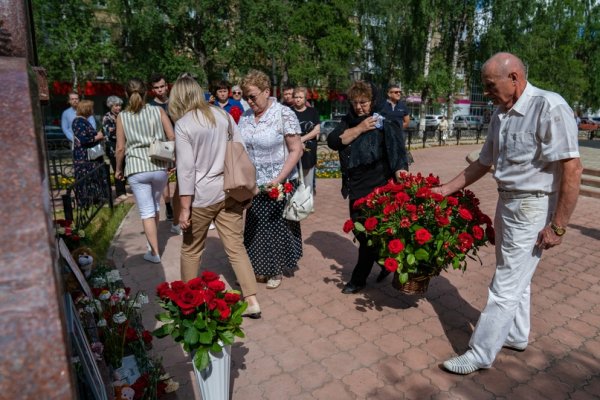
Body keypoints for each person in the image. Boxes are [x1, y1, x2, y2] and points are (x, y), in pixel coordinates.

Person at [438, 52, 583, 375]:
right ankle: (516, 335)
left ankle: (480, 353)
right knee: (515, 274)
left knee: (504, 284)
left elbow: (572, 169)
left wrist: (558, 226)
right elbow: (482, 163)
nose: (487, 93)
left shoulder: (549, 107)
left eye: (490, 86)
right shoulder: (500, 115)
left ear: (514, 78)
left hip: (534, 204)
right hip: (508, 203)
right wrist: (445, 190)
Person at [168, 76, 261, 318]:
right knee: (235, 246)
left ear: (177, 97)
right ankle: (251, 300)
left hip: (201, 196)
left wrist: (184, 209)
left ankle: (189, 304)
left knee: (191, 250)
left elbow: (186, 170)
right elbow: (239, 149)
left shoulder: (184, 124)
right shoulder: (222, 115)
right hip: (228, 190)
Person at [327, 81, 409, 294]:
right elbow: (334, 141)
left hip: (379, 184)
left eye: (363, 102)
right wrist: (360, 128)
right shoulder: (350, 120)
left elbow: (397, 151)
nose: (359, 107)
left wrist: (402, 176)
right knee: (359, 229)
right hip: (356, 184)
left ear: (373, 101)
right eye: (355, 102)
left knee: (369, 232)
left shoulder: (386, 120)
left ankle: (358, 279)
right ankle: (384, 263)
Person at [238, 70, 303, 289]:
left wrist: (279, 178)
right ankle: (258, 267)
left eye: (253, 96)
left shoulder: (283, 114)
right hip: (254, 183)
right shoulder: (246, 116)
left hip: (279, 181)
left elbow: (296, 150)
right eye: (246, 96)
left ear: (266, 92)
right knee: (255, 224)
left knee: (274, 226)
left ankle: (275, 269)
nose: (249, 101)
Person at [115, 78, 175, 264]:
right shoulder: (157, 111)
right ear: (146, 92)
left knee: (147, 211)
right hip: (159, 166)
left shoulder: (122, 116)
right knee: (155, 207)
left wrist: (118, 169)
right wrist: (173, 159)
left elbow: (120, 147)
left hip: (136, 168)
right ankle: (152, 245)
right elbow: (172, 135)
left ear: (126, 94)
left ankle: (155, 252)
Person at [149, 73, 186, 234]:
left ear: (167, 86)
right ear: (152, 89)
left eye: (162, 86)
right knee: (163, 181)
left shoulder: (174, 103)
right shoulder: (150, 106)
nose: (160, 90)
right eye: (156, 87)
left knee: (181, 182)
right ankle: (168, 206)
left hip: (178, 145)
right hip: (160, 148)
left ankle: (178, 218)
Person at [72, 100, 106, 206]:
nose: (92, 110)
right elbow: (84, 139)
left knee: (93, 177)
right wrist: (98, 136)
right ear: (86, 109)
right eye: (91, 108)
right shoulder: (78, 122)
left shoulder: (84, 121)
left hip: (90, 156)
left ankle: (95, 198)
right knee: (86, 178)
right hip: (85, 157)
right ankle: (86, 201)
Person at [292, 86, 320, 195]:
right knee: (294, 179)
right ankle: (295, 204)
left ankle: (308, 204)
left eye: (300, 97)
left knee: (308, 180)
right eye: (296, 97)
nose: (298, 99)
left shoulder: (312, 112)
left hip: (309, 150)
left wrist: (302, 139)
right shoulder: (289, 112)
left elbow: (316, 130)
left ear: (305, 99)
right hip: (293, 150)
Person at [102, 95, 127, 200]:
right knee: (117, 168)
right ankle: (120, 192)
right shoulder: (107, 117)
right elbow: (110, 134)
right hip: (113, 148)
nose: (118, 108)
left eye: (120, 105)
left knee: (124, 167)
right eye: (116, 106)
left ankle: (124, 190)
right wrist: (120, 130)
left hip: (123, 146)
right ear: (110, 106)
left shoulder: (122, 115)